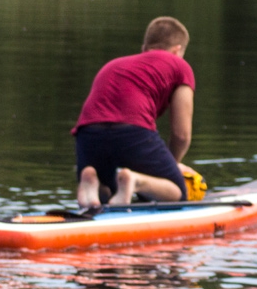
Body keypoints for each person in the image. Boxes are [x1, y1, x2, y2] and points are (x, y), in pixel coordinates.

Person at [73, 17, 196, 208]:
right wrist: (172, 165)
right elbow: (181, 135)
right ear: (177, 50)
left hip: (88, 134)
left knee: (109, 189)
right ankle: (136, 181)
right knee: (177, 193)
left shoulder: (113, 64)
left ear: (144, 47)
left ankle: (92, 185)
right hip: (131, 130)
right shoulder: (179, 66)